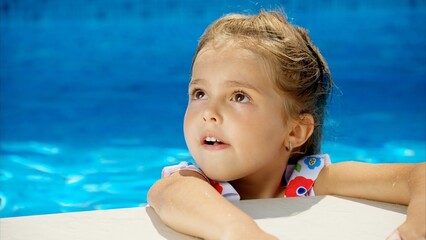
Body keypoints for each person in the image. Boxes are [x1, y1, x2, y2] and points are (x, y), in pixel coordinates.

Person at [148, 10, 425, 240]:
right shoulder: (194, 183)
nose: (209, 113)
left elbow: (418, 175)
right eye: (200, 93)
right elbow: (168, 193)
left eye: (239, 96)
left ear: (295, 131)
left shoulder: (309, 182)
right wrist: (240, 232)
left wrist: (417, 226)